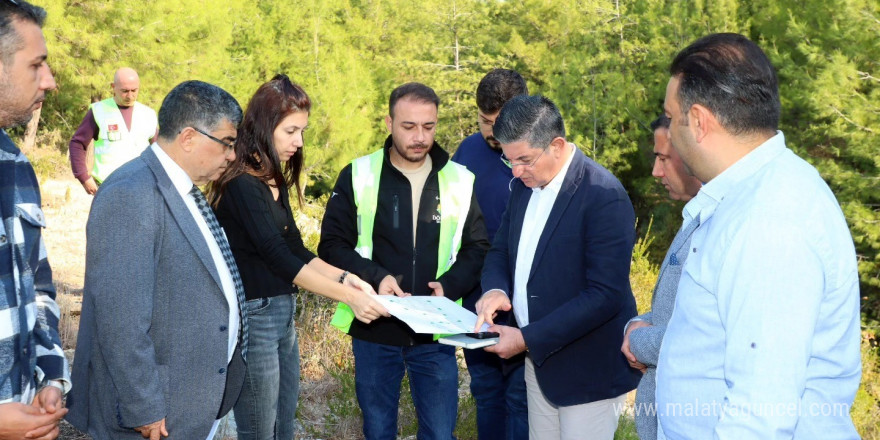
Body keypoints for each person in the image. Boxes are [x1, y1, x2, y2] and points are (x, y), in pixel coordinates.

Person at [655, 33, 861, 439]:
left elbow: (761, 416)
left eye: (670, 117)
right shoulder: (749, 195)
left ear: (698, 121)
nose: (670, 131)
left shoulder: (768, 221)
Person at [208, 74, 388, 440]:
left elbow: (294, 248)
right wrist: (348, 297)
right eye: (291, 131)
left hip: (282, 315)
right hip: (255, 319)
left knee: (283, 426)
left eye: (302, 131)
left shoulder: (273, 178)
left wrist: (344, 278)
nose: (298, 142)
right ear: (264, 125)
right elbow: (277, 257)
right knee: (260, 430)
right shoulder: (242, 183)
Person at [67, 80, 248, 440]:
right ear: (189, 138)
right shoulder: (130, 193)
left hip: (189, 402)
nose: (232, 155)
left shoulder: (184, 190)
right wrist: (143, 406)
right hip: (156, 416)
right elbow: (120, 318)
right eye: (227, 143)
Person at [318, 82, 489, 439]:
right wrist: (376, 276)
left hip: (435, 331)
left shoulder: (459, 179)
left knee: (440, 433)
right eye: (409, 126)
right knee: (379, 430)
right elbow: (332, 245)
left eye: (428, 126)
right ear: (389, 123)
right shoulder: (358, 174)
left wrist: (450, 286)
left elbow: (478, 247)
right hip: (374, 327)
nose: (420, 137)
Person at [475, 95, 641, 440]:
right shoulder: (524, 186)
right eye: (510, 162)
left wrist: (525, 339)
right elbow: (501, 249)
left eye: (524, 160)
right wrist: (495, 289)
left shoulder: (603, 194)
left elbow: (605, 295)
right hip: (542, 366)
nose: (516, 172)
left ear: (557, 145)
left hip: (588, 372)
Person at [0, 2, 69, 439]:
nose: (50, 80)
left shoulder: (17, 165)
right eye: (37, 65)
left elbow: (37, 288)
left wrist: (50, 378)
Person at [451, 68, 529, 440]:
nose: (492, 131)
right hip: (476, 297)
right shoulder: (466, 152)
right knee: (486, 392)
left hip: (527, 301)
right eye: (485, 121)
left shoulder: (540, 157)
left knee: (521, 396)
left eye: (500, 123)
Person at [619, 114, 701, 440]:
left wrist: (636, 340)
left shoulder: (719, 227)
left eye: (663, 158)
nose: (655, 171)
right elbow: (673, 311)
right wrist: (635, 323)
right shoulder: (694, 217)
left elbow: (700, 335)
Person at [68, 67, 158, 194]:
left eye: (134, 90)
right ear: (113, 87)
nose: (130, 96)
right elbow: (77, 143)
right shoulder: (98, 111)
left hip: (141, 187)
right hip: (107, 186)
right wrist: (84, 177)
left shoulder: (148, 114)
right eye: (125, 91)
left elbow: (160, 151)